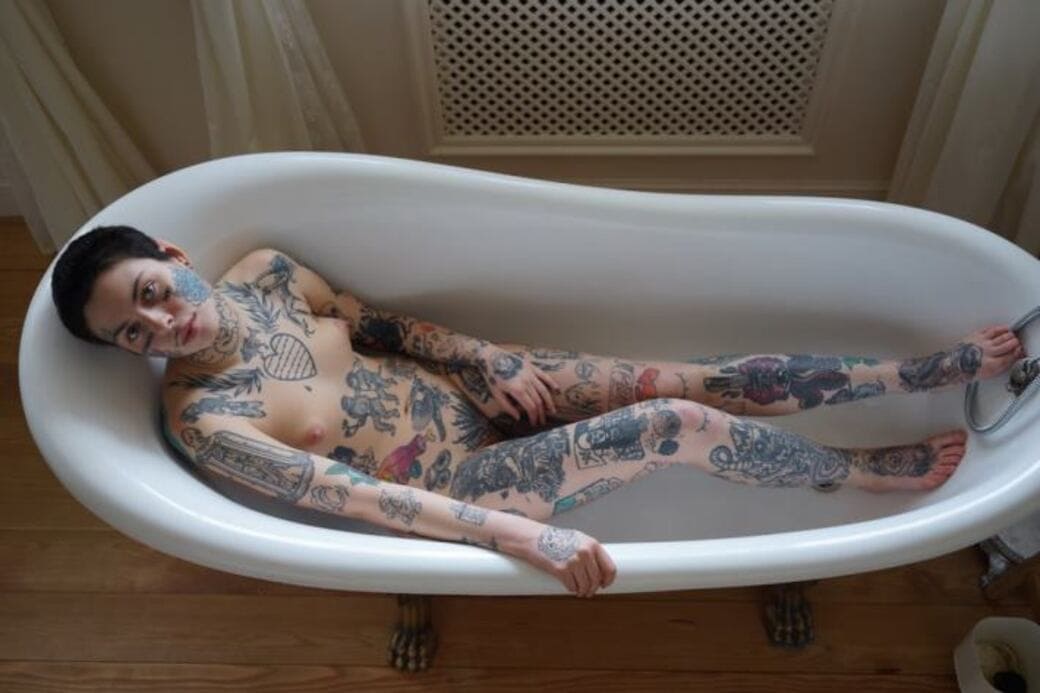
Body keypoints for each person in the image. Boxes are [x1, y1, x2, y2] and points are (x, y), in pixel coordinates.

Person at [51, 225, 1026, 597]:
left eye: (150, 292)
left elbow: (375, 323)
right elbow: (355, 500)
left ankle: (912, 372)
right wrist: (518, 539)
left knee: (682, 379)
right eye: (133, 333)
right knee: (672, 426)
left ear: (173, 257)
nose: (161, 324)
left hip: (482, 395)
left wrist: (482, 357)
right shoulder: (206, 421)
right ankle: (852, 474)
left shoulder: (265, 273)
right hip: (462, 487)